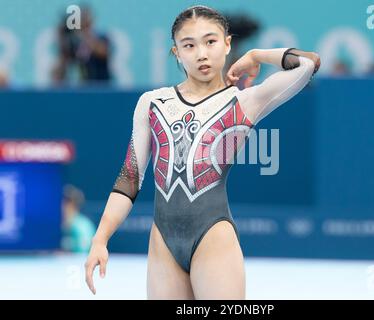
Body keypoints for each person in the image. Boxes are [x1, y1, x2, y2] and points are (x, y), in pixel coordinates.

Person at [84, 5, 320, 299]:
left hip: (213, 237)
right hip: (163, 244)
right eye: (189, 45)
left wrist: (257, 55)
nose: (201, 53)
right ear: (176, 53)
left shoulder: (244, 101)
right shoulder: (152, 103)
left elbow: (308, 64)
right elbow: (129, 178)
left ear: (227, 43)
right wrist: (100, 239)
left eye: (210, 41)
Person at [61, 184, 95, 253]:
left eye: (64, 202)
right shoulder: (64, 224)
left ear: (70, 204)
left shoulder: (83, 225)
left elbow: (82, 252)